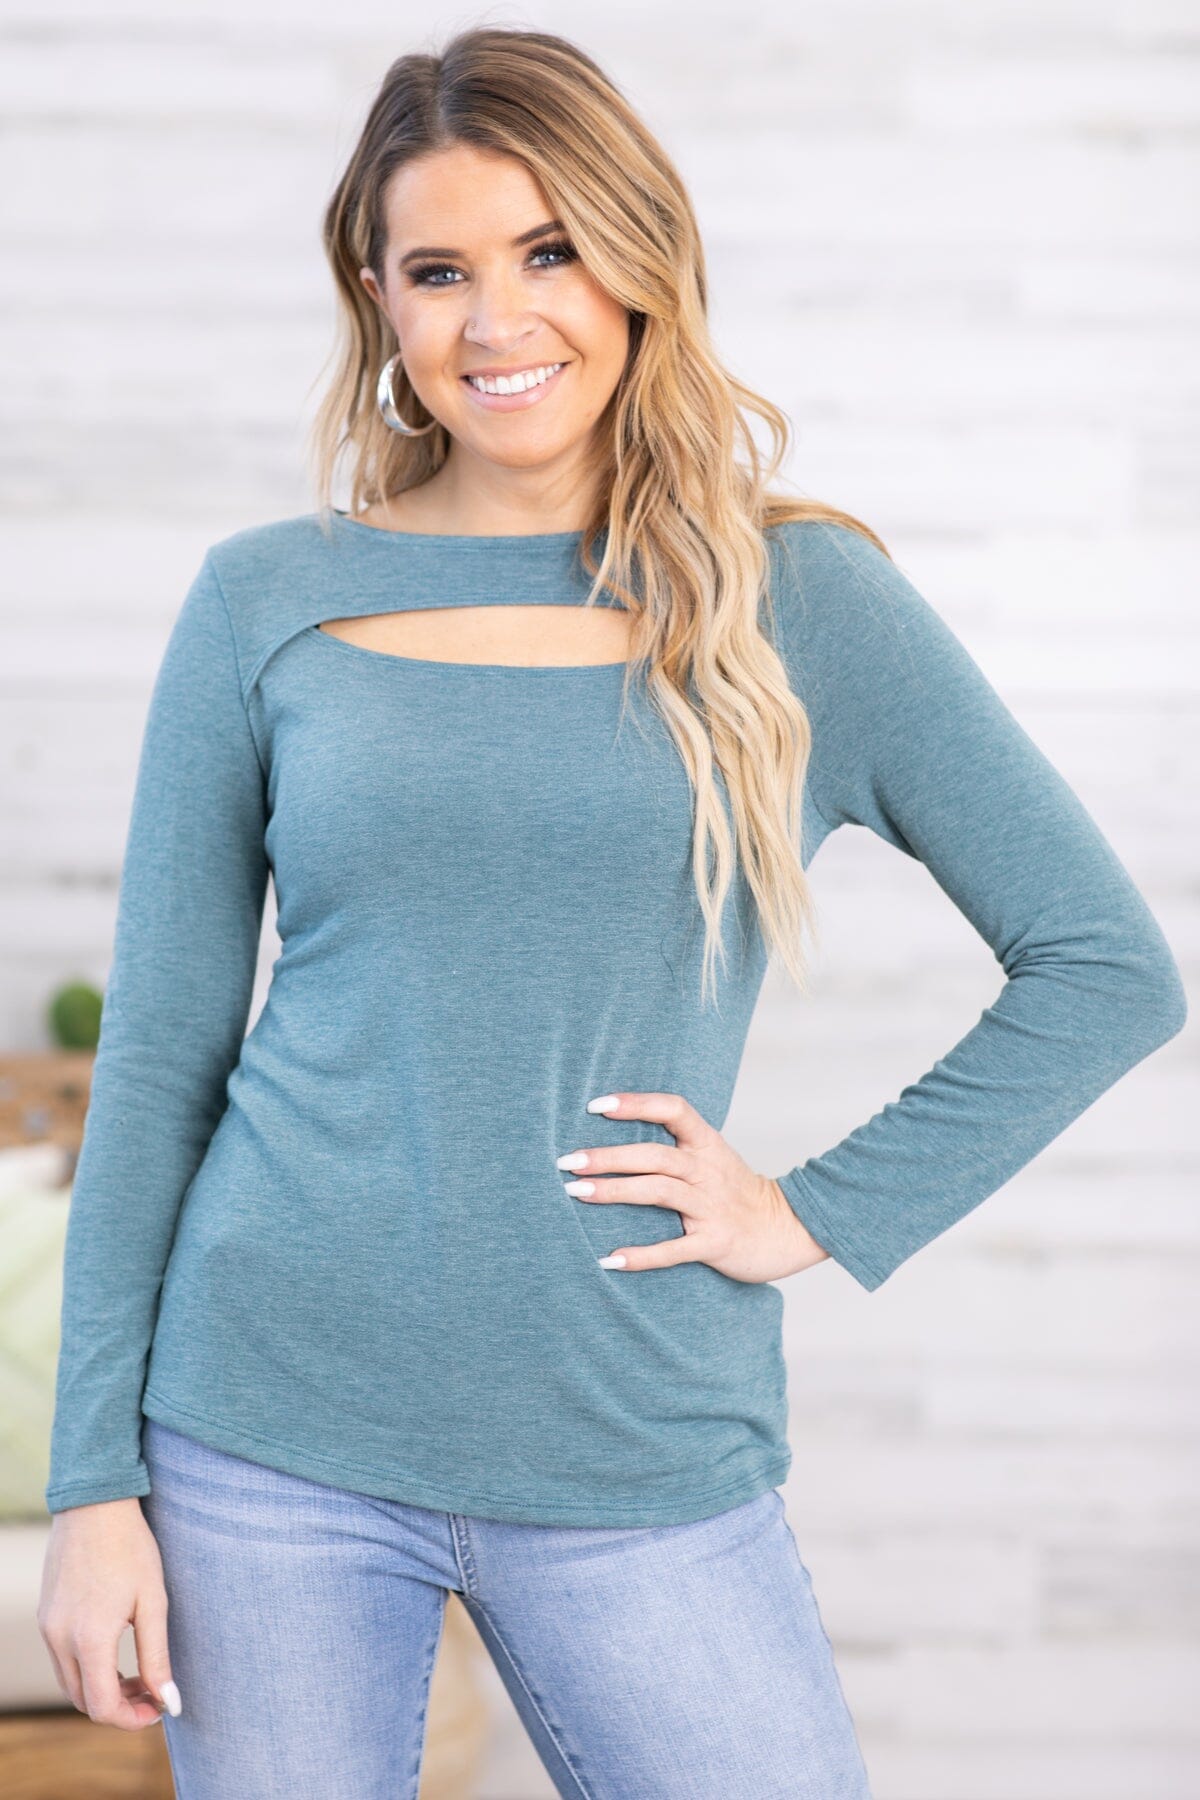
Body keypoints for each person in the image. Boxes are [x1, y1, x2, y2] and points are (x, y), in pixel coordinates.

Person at [37, 26, 1186, 1800]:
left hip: (637, 1428)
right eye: (441, 270)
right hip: (263, 1430)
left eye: (551, 251)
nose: (499, 319)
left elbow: (1106, 968)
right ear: (379, 298)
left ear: (642, 265)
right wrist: (91, 1488)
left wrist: (813, 1213)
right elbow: (166, 1055)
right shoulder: (265, 601)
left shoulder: (795, 597)